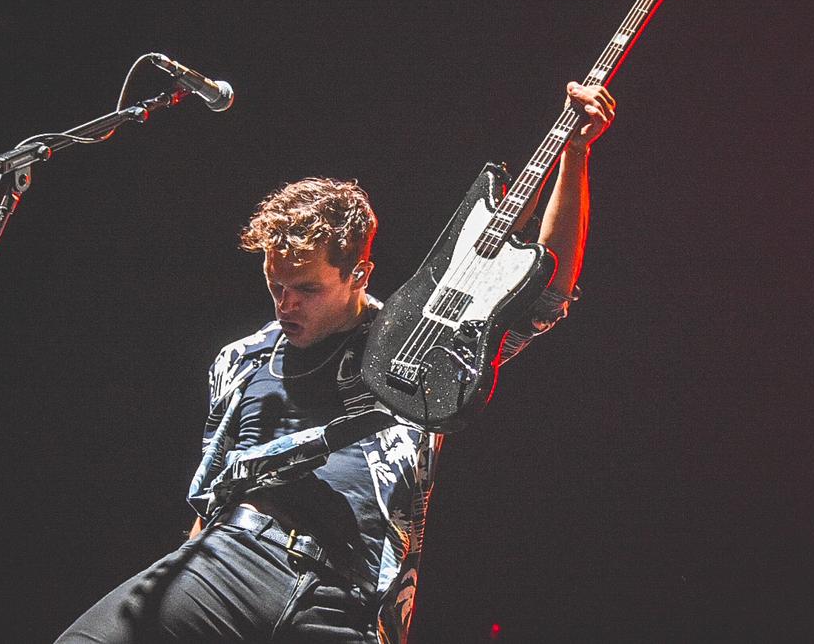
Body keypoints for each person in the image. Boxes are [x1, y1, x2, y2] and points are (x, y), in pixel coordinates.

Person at [54, 81, 616, 643]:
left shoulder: (418, 343)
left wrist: (574, 152)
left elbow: (543, 297)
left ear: (359, 275)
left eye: (307, 288)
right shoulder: (242, 359)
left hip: (348, 591)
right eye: (276, 286)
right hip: (233, 558)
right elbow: (215, 488)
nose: (286, 304)